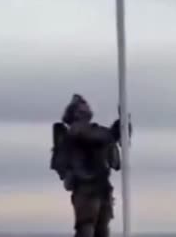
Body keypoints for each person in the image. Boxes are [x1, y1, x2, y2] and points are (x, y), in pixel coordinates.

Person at [50, 94, 130, 237]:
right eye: (83, 104)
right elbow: (103, 137)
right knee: (86, 228)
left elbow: (111, 137)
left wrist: (123, 121)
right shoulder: (76, 130)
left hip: (101, 188)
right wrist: (119, 126)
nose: (87, 106)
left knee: (102, 230)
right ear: (76, 113)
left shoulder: (92, 130)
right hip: (86, 188)